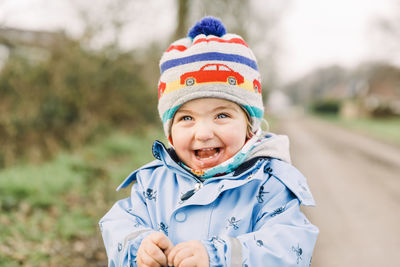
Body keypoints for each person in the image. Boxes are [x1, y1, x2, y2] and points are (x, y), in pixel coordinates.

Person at [99, 16, 318, 267]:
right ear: (170, 132)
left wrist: (220, 257)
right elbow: (117, 224)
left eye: (221, 115)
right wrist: (140, 246)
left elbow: (290, 246)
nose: (203, 133)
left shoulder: (270, 185)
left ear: (249, 125)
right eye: (187, 118)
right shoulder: (153, 183)